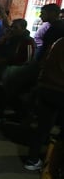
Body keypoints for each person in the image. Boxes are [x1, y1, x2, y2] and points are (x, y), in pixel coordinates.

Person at [23, 37, 64, 171]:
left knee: (42, 127)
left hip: (47, 88)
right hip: (60, 90)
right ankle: (54, 166)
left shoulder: (58, 42)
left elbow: (43, 62)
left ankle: (32, 159)